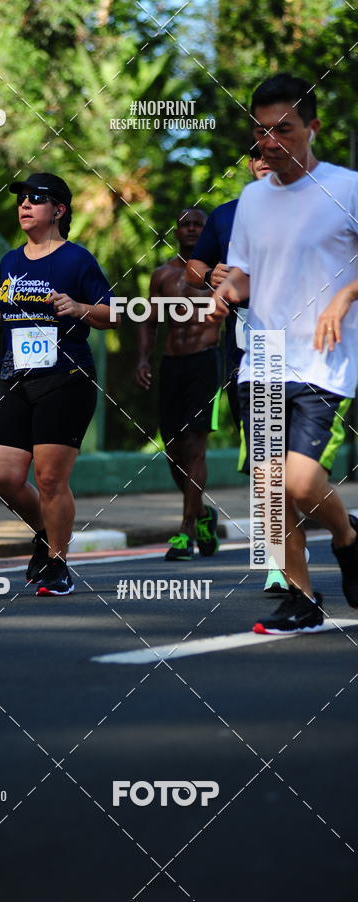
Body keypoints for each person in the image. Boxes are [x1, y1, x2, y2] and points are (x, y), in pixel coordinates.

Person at [208, 73, 358, 633]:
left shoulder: (347, 188)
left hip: (324, 358)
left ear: (312, 127)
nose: (270, 142)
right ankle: (301, 598)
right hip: (264, 356)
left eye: (283, 129)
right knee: (270, 489)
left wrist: (343, 296)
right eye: (260, 131)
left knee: (299, 482)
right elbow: (244, 272)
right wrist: (225, 294)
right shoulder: (252, 198)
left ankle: (347, 536)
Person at [0, 172, 118, 596]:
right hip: (16, 376)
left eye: (36, 198)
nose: (25, 204)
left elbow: (113, 315)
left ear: (58, 210)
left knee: (50, 478)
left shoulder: (77, 259)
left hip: (66, 378)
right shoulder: (10, 261)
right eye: (21, 198)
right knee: (1, 475)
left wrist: (79, 306)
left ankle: (58, 563)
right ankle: (45, 532)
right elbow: (17, 312)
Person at [185, 148, 289, 595]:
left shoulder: (314, 207)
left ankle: (337, 531)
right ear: (250, 163)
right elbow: (194, 267)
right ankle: (278, 560)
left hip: (309, 346)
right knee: (266, 456)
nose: (264, 158)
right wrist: (210, 274)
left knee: (299, 464)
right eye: (256, 153)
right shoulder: (228, 214)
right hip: (252, 347)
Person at [136, 208, 222, 561]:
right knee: (172, 449)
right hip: (172, 364)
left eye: (198, 225)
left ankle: (186, 531)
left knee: (195, 446)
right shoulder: (163, 275)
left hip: (205, 362)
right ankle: (202, 514)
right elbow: (149, 321)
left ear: (207, 231)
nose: (191, 229)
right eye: (185, 224)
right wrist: (143, 359)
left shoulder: (221, 274)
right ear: (175, 232)